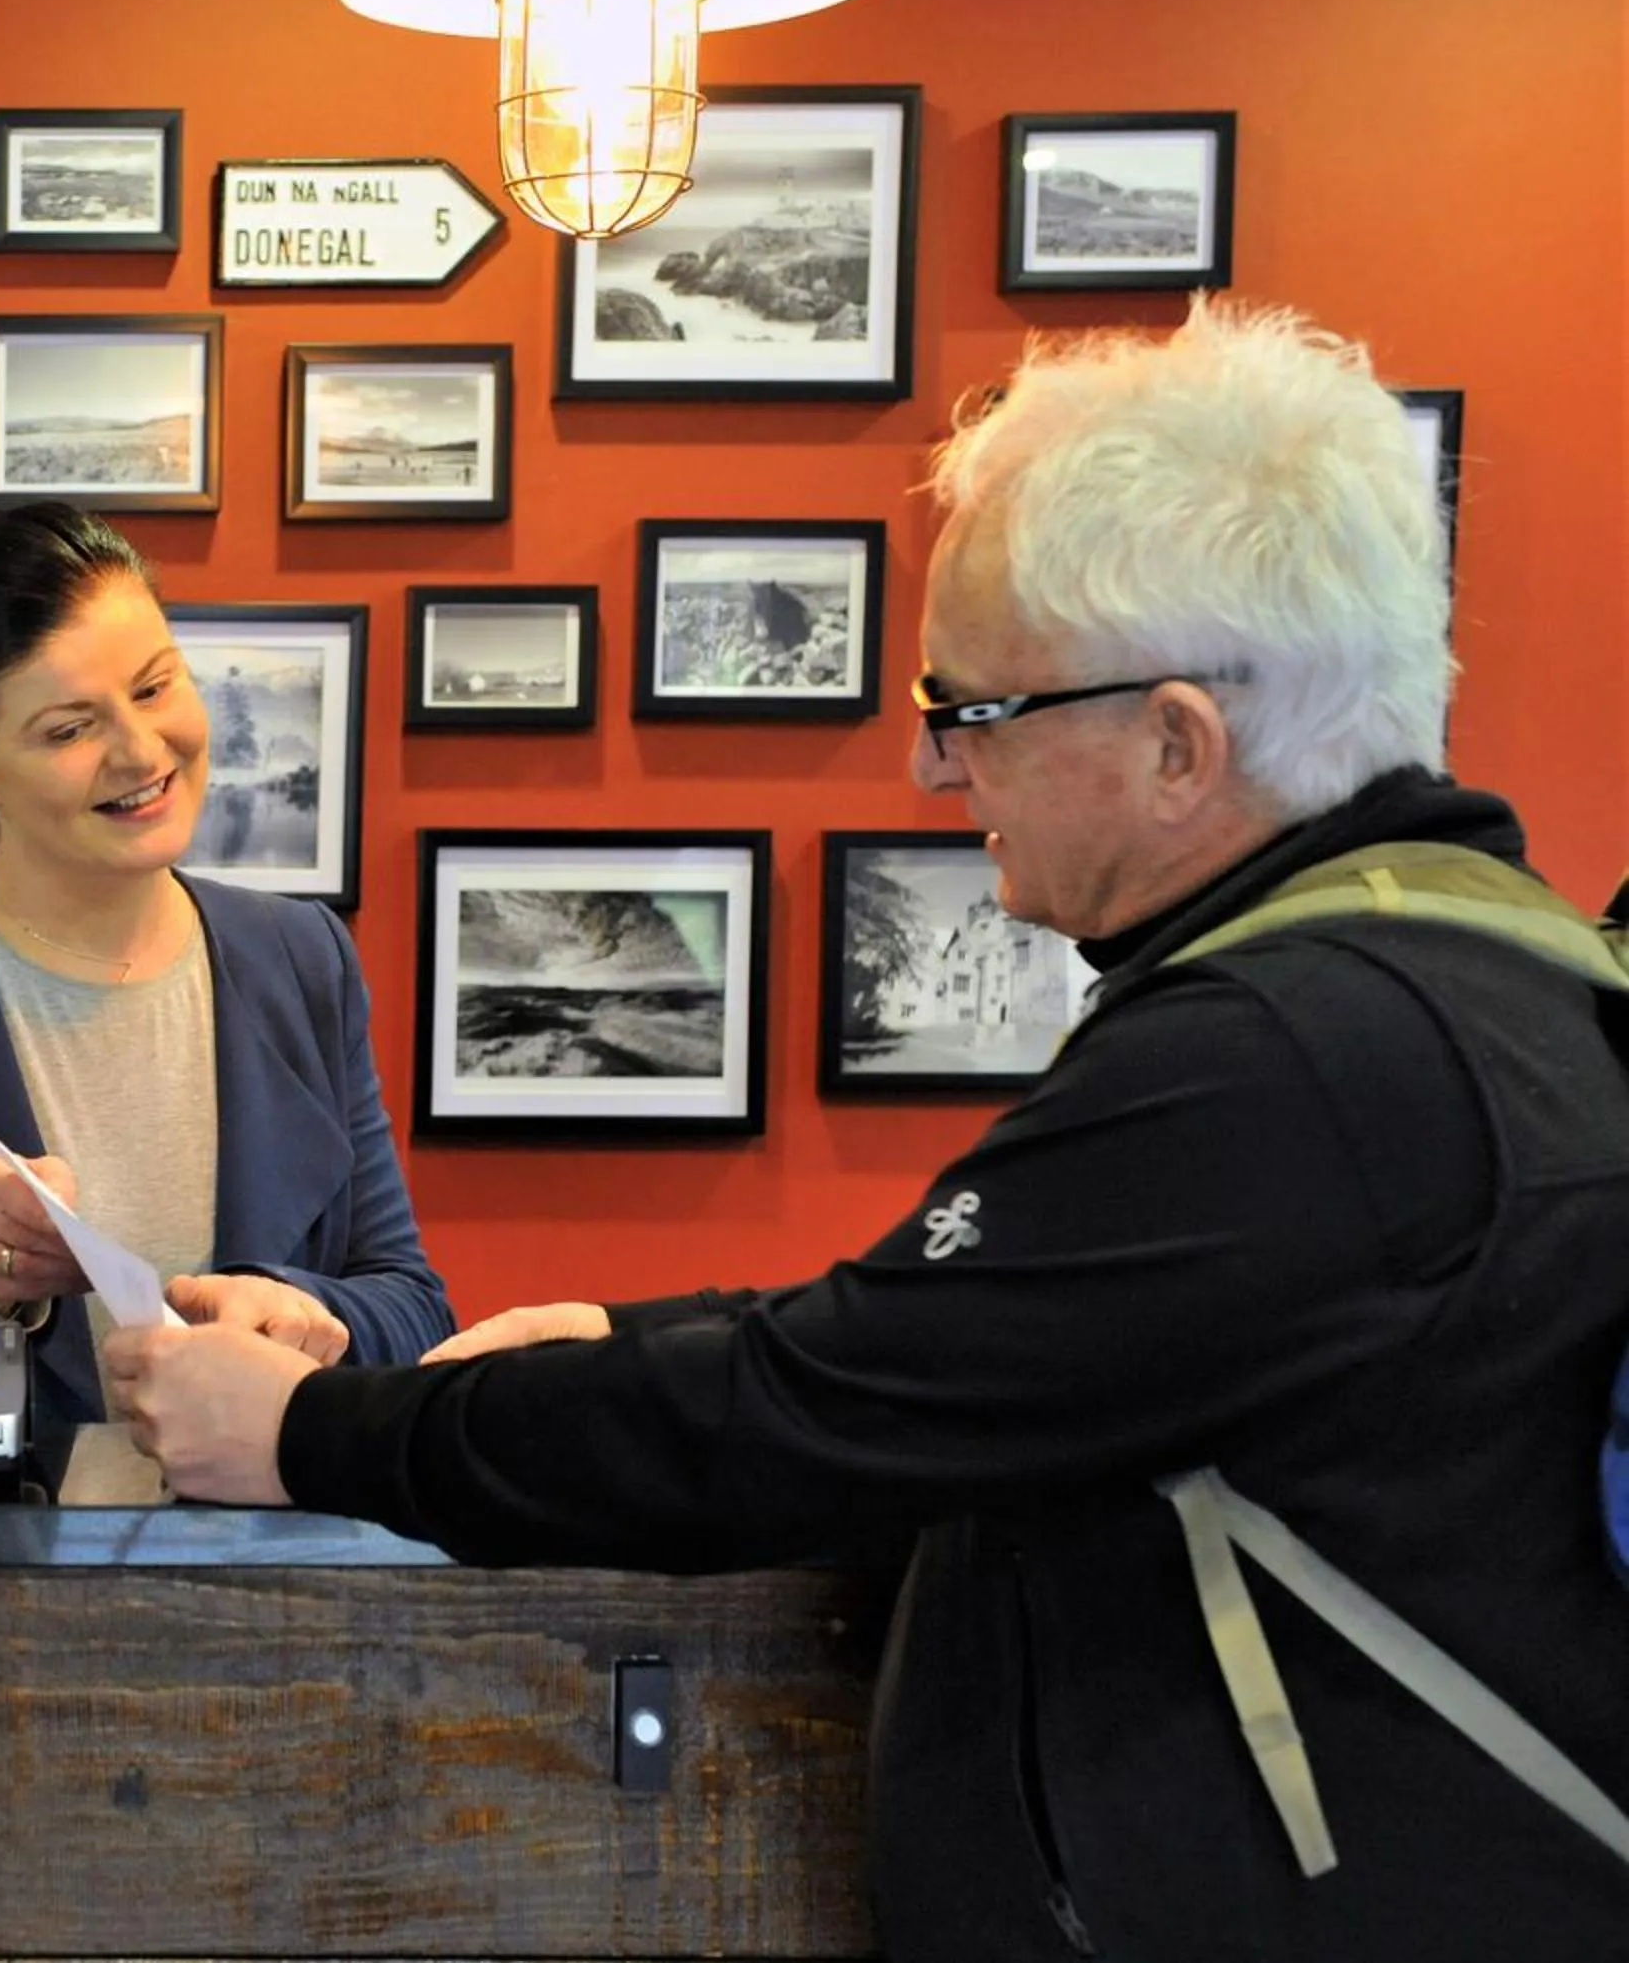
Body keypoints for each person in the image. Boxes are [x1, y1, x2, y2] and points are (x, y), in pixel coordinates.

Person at [107, 301, 1629, 1959]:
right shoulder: (1472, 968)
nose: (923, 763)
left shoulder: (1285, 1057)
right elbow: (974, 1350)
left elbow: (809, 1420)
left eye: (971, 710)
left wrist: (314, 1433)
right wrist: (609, 1336)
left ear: (1176, 744)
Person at [0, 502, 453, 1422]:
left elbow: (413, 1310)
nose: (141, 752)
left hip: (260, 1512)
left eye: (154, 688)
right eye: (69, 730)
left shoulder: (301, 955)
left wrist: (297, 1309)